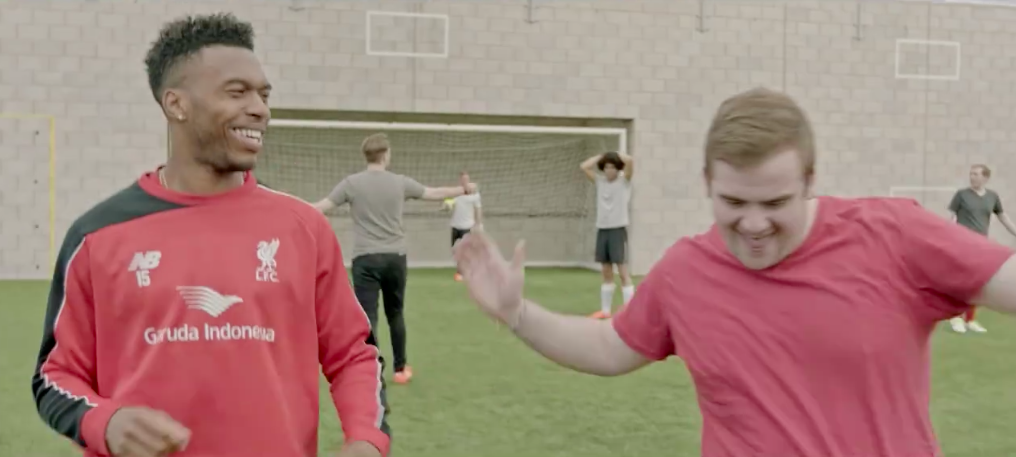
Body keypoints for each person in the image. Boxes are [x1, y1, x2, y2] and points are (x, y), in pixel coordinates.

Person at [453, 87, 1016, 457]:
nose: (752, 225)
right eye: (732, 202)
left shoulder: (894, 234)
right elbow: (609, 346)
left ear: (810, 179)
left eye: (775, 204)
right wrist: (517, 313)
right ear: (706, 182)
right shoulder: (684, 272)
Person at [31, 13, 390, 457]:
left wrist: (367, 441)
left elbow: (354, 354)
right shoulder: (97, 235)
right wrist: (103, 421)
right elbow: (53, 376)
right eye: (237, 92)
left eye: (263, 94)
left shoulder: (304, 229)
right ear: (176, 104)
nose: (259, 108)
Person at [313, 133, 476, 385]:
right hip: (394, 258)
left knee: (368, 318)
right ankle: (400, 369)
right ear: (386, 154)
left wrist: (285, 207)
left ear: (366, 156)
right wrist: (463, 189)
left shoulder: (351, 183)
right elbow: (433, 193)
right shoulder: (400, 182)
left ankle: (370, 372)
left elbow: (320, 207)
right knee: (395, 313)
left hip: (365, 259)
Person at [946, 163, 1016, 334]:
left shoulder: (992, 196)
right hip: (962, 243)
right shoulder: (961, 195)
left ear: (985, 177)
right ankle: (955, 317)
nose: (972, 177)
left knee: (977, 283)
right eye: (971, 174)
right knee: (960, 281)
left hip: (981, 246)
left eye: (976, 174)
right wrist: (947, 238)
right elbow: (952, 217)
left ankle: (970, 320)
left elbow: (1002, 216)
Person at [579, 151, 635, 319]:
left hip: (617, 230)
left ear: (618, 169)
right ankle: (605, 311)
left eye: (613, 167)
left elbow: (630, 161)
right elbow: (584, 166)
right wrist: (601, 156)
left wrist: (615, 154)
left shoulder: (624, 181)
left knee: (623, 272)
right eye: (607, 167)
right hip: (602, 230)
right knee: (606, 271)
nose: (610, 170)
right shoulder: (599, 181)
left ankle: (630, 313)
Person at [443, 170, 482, 282]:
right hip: (455, 226)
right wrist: (446, 206)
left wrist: (479, 224)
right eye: (462, 179)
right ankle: (461, 271)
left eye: (466, 179)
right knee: (455, 251)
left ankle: (466, 272)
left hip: (467, 226)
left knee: (465, 251)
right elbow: (448, 204)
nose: (464, 181)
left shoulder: (475, 194)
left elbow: (478, 209)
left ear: (469, 180)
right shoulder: (456, 193)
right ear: (460, 180)